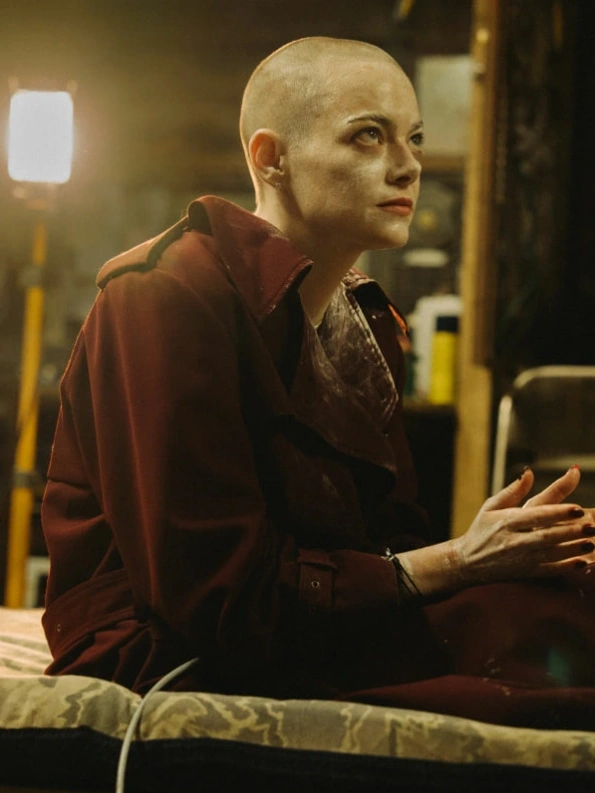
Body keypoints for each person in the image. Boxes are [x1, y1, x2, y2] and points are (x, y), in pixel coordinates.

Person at [41, 37, 595, 728]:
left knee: (561, 602)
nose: (407, 165)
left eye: (415, 138)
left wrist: (495, 556)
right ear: (270, 158)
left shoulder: (368, 321)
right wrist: (457, 562)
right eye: (368, 136)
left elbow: (385, 548)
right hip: (169, 649)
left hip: (315, 628)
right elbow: (217, 601)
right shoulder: (165, 295)